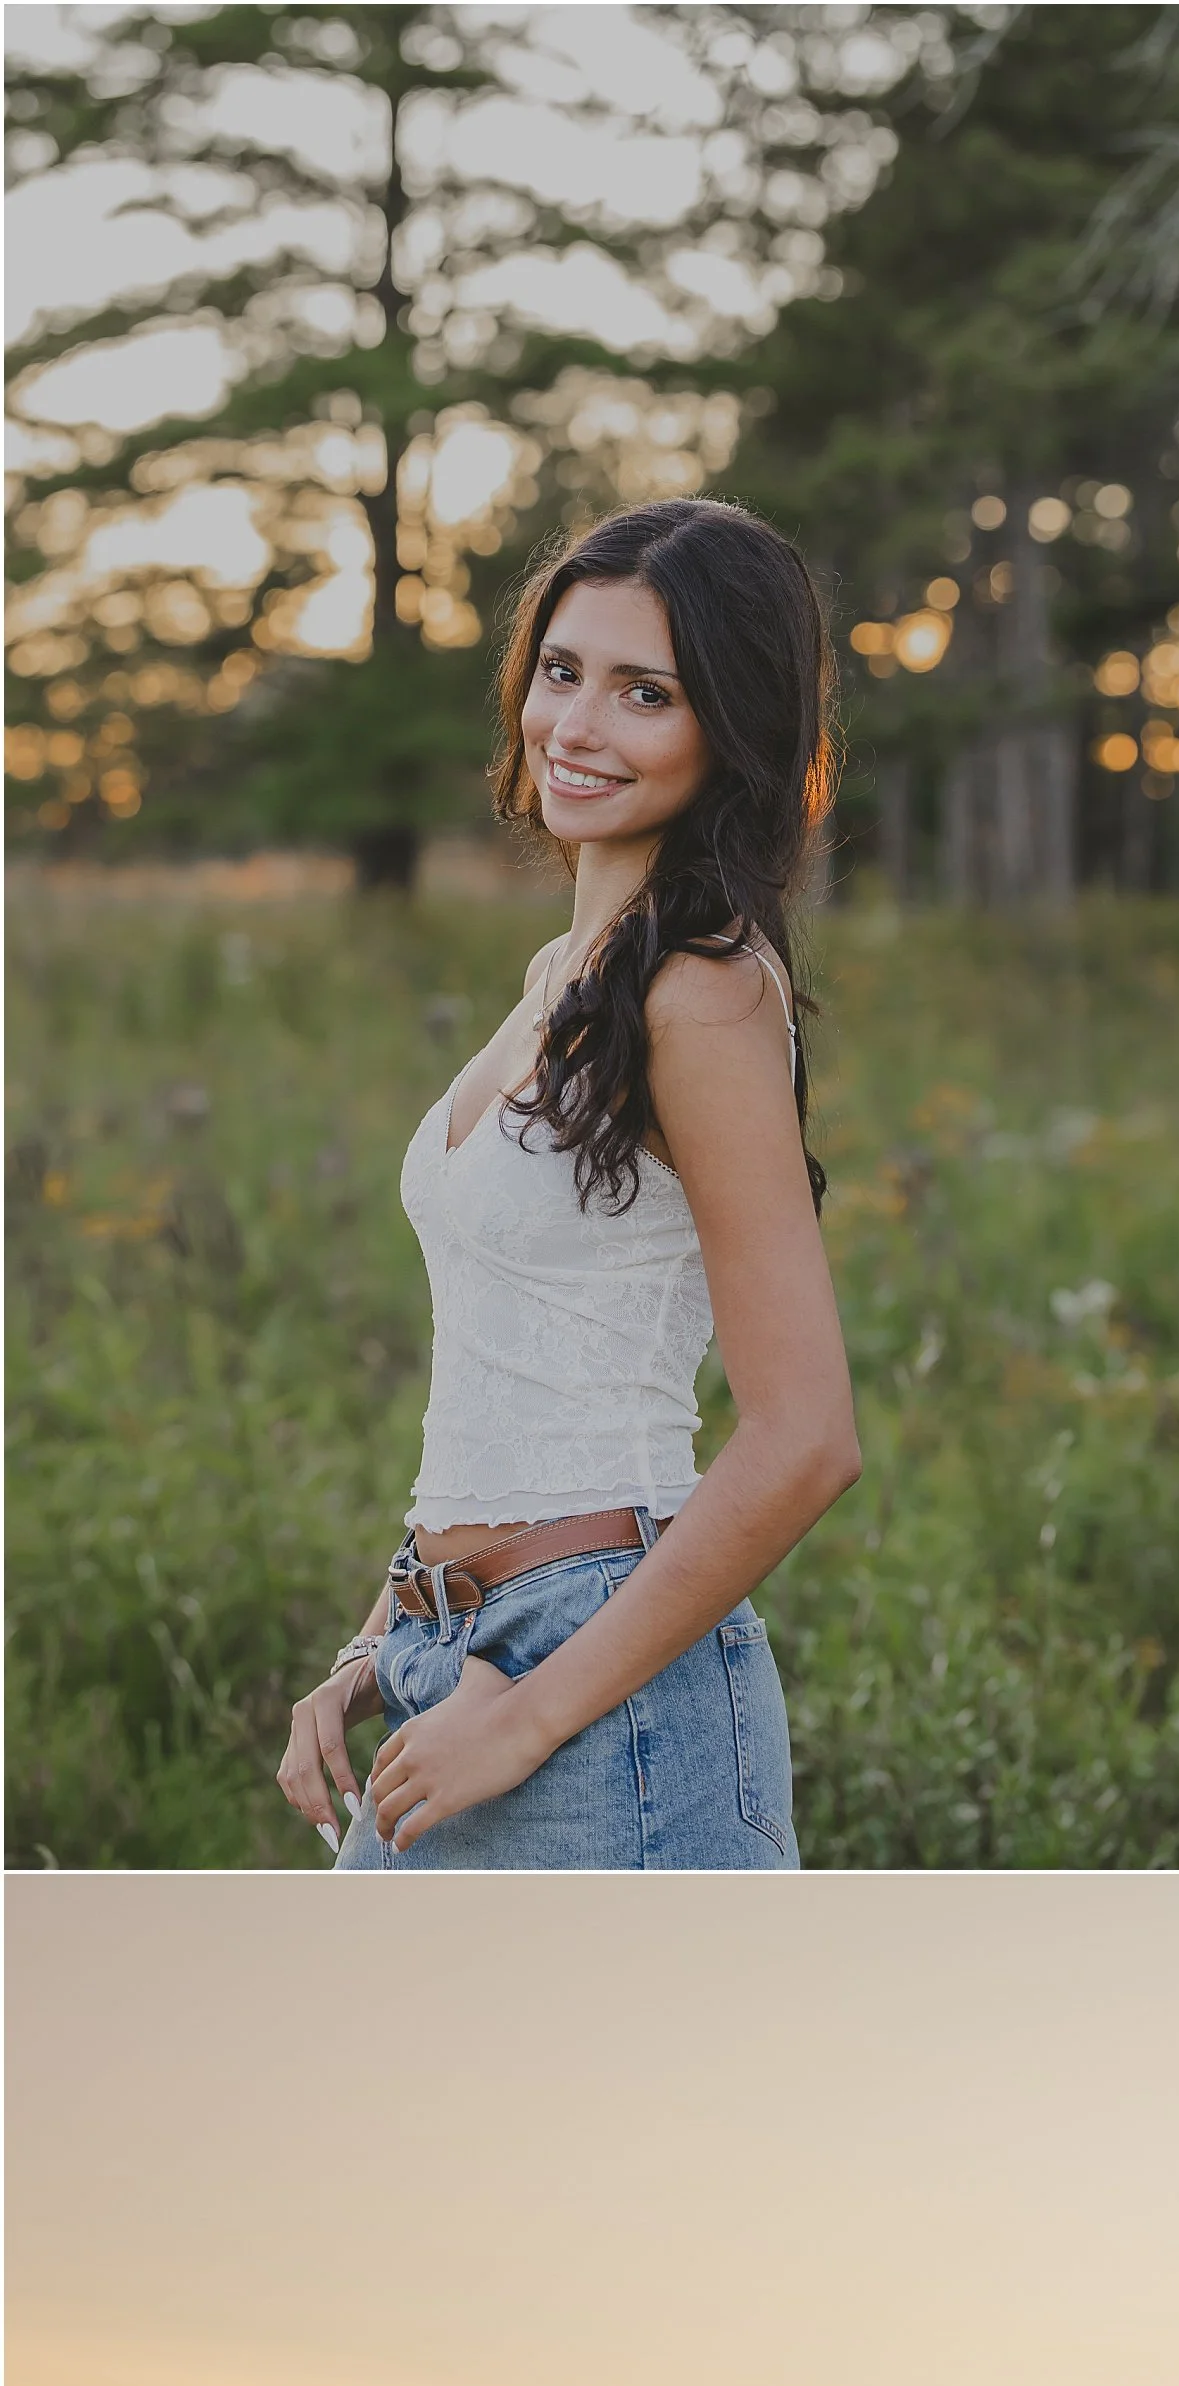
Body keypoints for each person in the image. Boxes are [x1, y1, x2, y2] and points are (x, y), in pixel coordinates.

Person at [275, 497, 860, 1868]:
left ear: (730, 728)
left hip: (605, 1689)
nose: (578, 726)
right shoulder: (563, 980)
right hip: (452, 1642)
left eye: (645, 692)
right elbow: (512, 1379)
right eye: (562, 671)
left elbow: (807, 1435)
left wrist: (534, 1716)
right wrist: (379, 1639)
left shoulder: (702, 993)